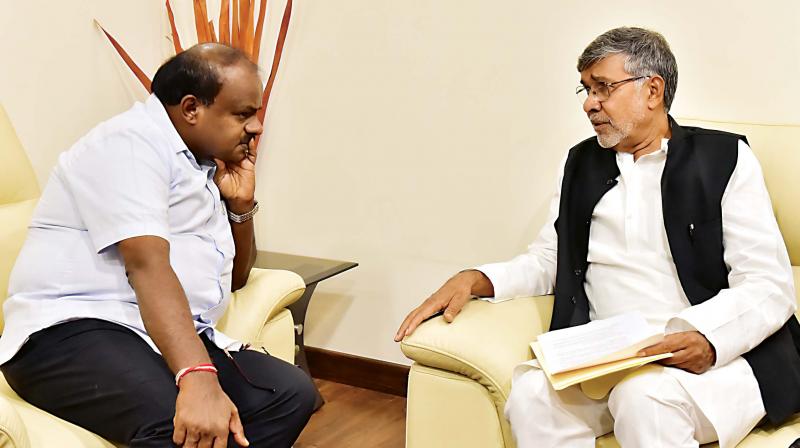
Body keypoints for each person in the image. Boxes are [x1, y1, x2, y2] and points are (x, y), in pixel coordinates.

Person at [396, 27, 799, 448]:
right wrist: (477, 279)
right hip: (609, 356)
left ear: (653, 90)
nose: (590, 104)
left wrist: (707, 339)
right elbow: (551, 258)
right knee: (533, 395)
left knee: (642, 397)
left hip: (719, 357)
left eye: (603, 88)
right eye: (586, 90)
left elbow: (768, 284)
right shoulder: (580, 163)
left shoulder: (725, 158)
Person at [0, 43, 316, 447]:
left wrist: (240, 207)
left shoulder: (202, 163)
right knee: (177, 423)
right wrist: (197, 378)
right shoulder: (130, 144)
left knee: (290, 394)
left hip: (146, 333)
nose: (256, 127)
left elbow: (235, 278)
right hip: (69, 332)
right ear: (190, 109)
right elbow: (146, 265)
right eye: (243, 113)